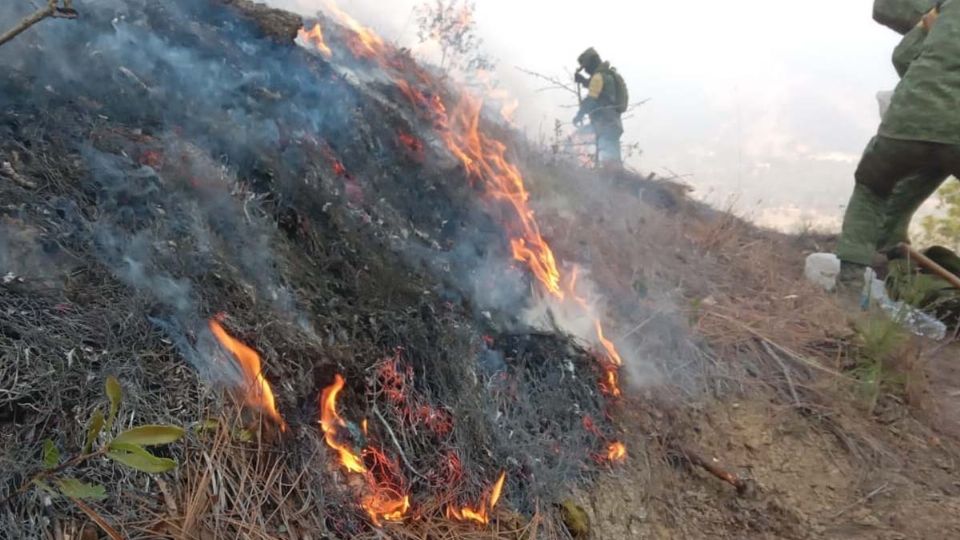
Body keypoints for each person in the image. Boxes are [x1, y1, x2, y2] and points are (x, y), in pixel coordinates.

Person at [836, 1, 960, 291]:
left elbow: (903, 56)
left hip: (907, 122)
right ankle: (890, 246)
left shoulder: (944, 9)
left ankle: (851, 282)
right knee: (938, 158)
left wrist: (927, 87)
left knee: (872, 187)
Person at [573, 48, 626, 168]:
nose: (586, 71)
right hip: (612, 124)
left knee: (609, 158)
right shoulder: (606, 76)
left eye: (586, 67)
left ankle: (611, 179)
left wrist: (579, 115)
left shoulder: (598, 77)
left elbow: (592, 99)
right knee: (612, 157)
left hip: (604, 124)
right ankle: (616, 180)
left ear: (592, 63)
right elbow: (601, 93)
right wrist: (583, 81)